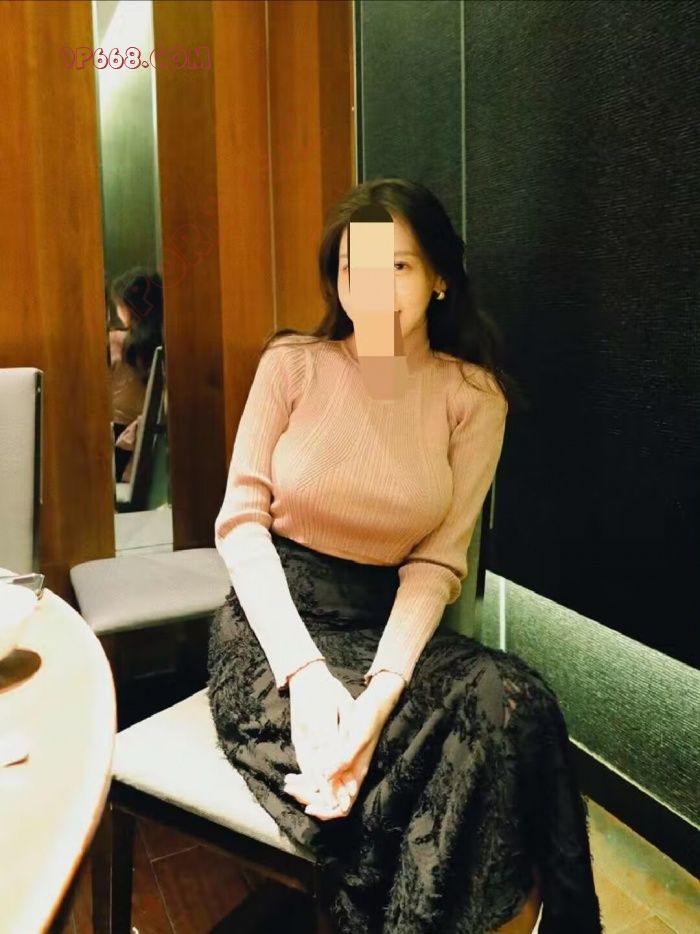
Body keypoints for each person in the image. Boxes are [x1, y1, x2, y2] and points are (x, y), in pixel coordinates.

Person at [207, 178, 602, 933]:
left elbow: (436, 565)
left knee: (513, 702)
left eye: (398, 265)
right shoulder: (291, 364)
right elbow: (242, 525)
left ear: (439, 277)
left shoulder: (473, 397)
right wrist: (306, 674)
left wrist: (380, 695)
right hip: (273, 630)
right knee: (456, 770)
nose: (373, 288)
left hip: (386, 628)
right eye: (354, 266)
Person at [107, 268, 163, 482]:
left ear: (127, 307)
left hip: (117, 446)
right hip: (151, 450)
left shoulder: (115, 342)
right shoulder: (165, 346)